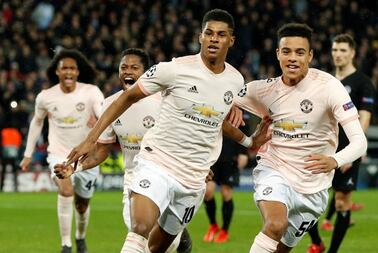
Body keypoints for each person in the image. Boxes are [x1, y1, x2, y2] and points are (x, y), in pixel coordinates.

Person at [65, 9, 271, 253]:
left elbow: (216, 118)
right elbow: (127, 98)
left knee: (157, 248)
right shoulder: (174, 69)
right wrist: (90, 140)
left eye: (221, 34)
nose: (214, 38)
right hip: (157, 163)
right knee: (139, 228)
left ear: (231, 40)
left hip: (194, 178)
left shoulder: (235, 81)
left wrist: (249, 141)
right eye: (209, 33)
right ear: (200, 37)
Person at [233, 23, 368, 253]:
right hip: (275, 170)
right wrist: (232, 104)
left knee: (281, 249)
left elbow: (359, 141)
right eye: (286, 51)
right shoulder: (265, 89)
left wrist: (335, 160)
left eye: (300, 52)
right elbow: (220, 97)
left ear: (310, 55)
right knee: (275, 225)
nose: (292, 58)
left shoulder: (329, 87)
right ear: (278, 54)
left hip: (314, 188)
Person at [54, 48, 193, 253]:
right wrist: (75, 168)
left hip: (167, 173)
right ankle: (179, 238)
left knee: (163, 245)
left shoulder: (165, 101)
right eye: (124, 67)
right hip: (134, 176)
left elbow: (184, 137)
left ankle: (179, 239)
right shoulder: (110, 104)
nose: (128, 71)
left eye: (134, 67)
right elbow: (102, 150)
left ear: (147, 73)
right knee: (139, 235)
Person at [20, 49, 104, 253]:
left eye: (72, 68)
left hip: (86, 157)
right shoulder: (46, 97)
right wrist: (28, 154)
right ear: (57, 72)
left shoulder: (91, 92)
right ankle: (66, 245)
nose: (68, 72)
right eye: (64, 68)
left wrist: (99, 124)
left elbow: (104, 117)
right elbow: (37, 122)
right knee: (65, 190)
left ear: (78, 72)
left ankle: (80, 238)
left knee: (82, 206)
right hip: (59, 154)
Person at [307, 33, 375, 253]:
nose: (338, 54)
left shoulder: (363, 83)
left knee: (341, 202)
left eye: (343, 50)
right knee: (305, 200)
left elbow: (364, 120)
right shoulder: (326, 81)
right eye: (335, 50)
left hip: (346, 151)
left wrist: (350, 154)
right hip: (321, 147)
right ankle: (316, 242)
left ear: (353, 53)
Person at [203, 136, 248, 243]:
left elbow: (243, 129)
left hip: (230, 157)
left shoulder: (237, 118)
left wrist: (243, 152)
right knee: (207, 192)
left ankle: (224, 231)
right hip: (213, 157)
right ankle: (213, 225)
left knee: (226, 193)